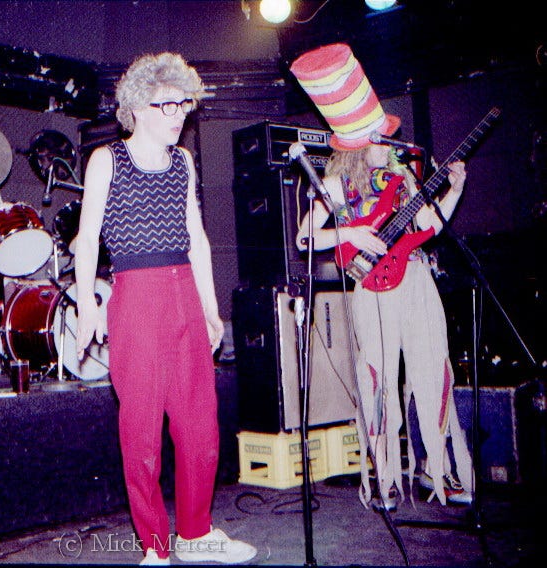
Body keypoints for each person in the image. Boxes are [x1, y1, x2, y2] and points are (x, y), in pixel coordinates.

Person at [74, 52, 257, 565]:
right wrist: (86, 302)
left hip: (184, 295)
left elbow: (197, 239)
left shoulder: (183, 163)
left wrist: (210, 306)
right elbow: (86, 239)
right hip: (137, 297)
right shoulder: (107, 160)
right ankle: (154, 547)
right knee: (141, 431)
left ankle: (196, 534)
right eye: (167, 105)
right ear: (137, 107)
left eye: (184, 104)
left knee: (201, 426)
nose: (179, 114)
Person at [290, 43, 474, 510]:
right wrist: (351, 231)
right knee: (379, 383)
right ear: (355, 145)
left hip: (417, 280)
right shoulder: (335, 185)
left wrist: (454, 190)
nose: (385, 144)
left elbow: (431, 226)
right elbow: (305, 238)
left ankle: (439, 471)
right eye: (377, 138)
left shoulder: (404, 178)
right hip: (372, 288)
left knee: (433, 373)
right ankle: (385, 477)